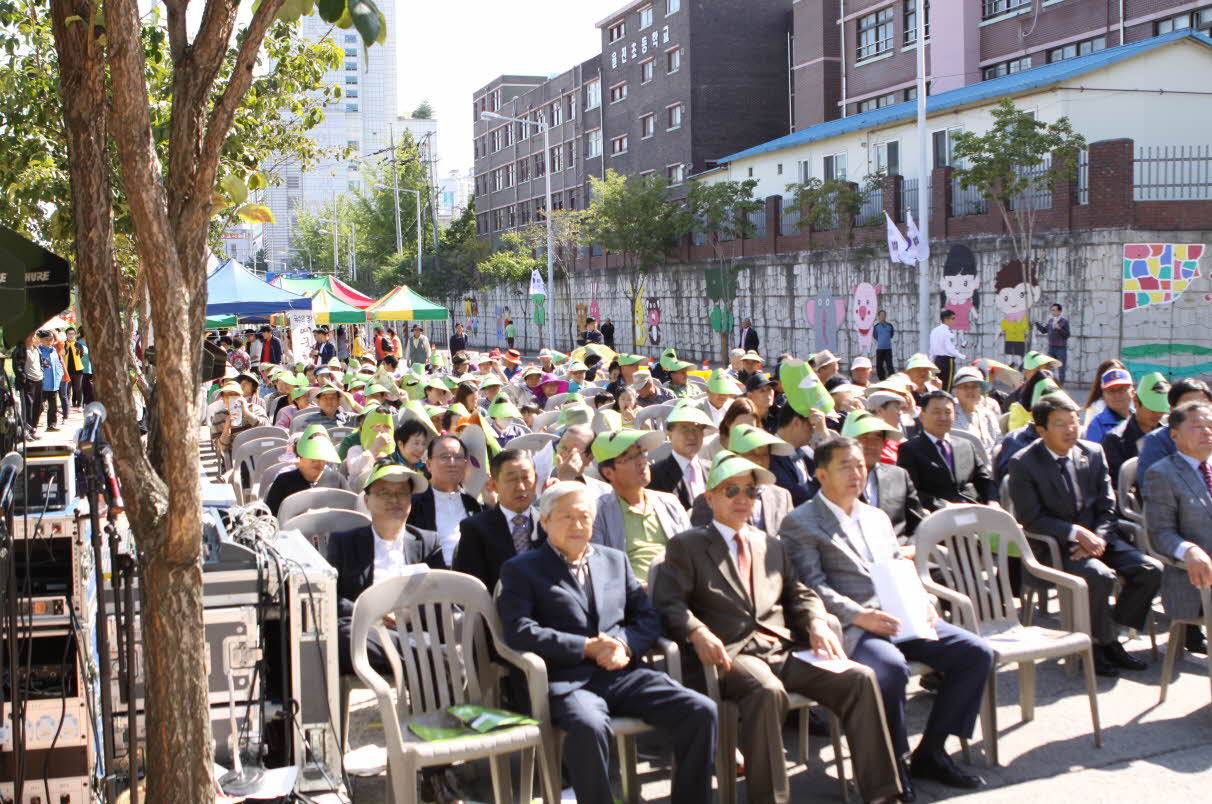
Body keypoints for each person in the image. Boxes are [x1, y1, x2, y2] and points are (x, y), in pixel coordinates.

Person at [652, 451, 901, 804]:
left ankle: (883, 794)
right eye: (732, 490)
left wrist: (816, 621)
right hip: (729, 653)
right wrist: (697, 631)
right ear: (710, 498)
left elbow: (800, 592)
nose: (743, 499)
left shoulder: (770, 544)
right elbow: (669, 603)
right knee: (767, 690)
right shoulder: (687, 545)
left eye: (751, 492)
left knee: (858, 678)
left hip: (780, 646)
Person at [781, 438, 993, 798]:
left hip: (900, 614)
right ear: (820, 475)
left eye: (860, 465)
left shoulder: (875, 516)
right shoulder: (801, 522)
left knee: (976, 653)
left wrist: (921, 597)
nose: (856, 473)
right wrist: (859, 615)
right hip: (852, 625)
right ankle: (892, 765)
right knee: (890, 670)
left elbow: (897, 565)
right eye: (844, 466)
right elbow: (811, 586)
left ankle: (932, 751)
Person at [497, 482, 717, 804]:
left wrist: (622, 645)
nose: (577, 525)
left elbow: (647, 617)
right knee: (588, 726)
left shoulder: (615, 560)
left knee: (700, 710)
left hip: (622, 673)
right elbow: (519, 630)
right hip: (567, 682)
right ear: (544, 522)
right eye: (566, 517)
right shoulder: (521, 569)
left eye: (584, 517)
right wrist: (584, 647)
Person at [1007, 394, 1162, 677]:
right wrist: (1076, 533)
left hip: (1099, 538)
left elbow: (1108, 505)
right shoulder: (1024, 463)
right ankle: (1098, 645)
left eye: (1074, 421)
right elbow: (1030, 518)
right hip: (1055, 545)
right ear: (1041, 430)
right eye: (1060, 424)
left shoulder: (1092, 452)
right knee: (1098, 576)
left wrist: (1097, 537)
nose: (1070, 429)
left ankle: (1109, 635)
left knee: (1150, 569)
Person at [1142, 400, 1212, 654]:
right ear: (1174, 434)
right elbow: (1160, 533)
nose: (1207, 432)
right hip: (1195, 579)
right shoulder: (1162, 474)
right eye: (1197, 426)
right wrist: (1189, 550)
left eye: (1210, 426)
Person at [588, 428, 691, 583]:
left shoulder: (669, 502)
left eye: (642, 453)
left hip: (679, 589)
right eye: (630, 457)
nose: (643, 461)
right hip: (634, 598)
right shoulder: (598, 513)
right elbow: (600, 570)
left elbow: (691, 552)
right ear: (609, 473)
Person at [453, 448, 542, 594]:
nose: (520, 486)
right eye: (512, 479)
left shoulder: (549, 524)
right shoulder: (476, 529)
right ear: (494, 485)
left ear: (536, 480)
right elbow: (470, 589)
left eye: (526, 478)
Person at [897, 391, 997, 511]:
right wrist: (945, 506)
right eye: (936, 412)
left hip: (972, 509)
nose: (943, 418)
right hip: (937, 514)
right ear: (922, 416)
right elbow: (910, 491)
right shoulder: (910, 449)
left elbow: (984, 480)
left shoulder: (966, 445)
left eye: (948, 412)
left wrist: (993, 502)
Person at [843, 411, 925, 545]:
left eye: (877, 438)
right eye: (864, 437)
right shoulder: (835, 477)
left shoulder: (899, 476)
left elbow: (918, 523)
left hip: (900, 553)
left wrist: (911, 548)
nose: (871, 445)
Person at [407, 435, 483, 566]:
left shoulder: (474, 504)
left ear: (465, 464)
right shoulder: (414, 505)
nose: (452, 463)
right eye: (445, 457)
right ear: (429, 464)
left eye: (458, 457)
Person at [1102, 372, 1169, 492]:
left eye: (1161, 409)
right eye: (1152, 409)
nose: (1157, 414)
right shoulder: (1115, 439)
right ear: (1136, 401)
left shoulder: (1168, 433)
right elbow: (1118, 484)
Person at [264, 425, 350, 517]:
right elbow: (268, 518)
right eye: (311, 455)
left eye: (321, 456)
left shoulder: (337, 480)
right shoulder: (283, 482)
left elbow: (350, 512)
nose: (317, 461)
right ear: (298, 459)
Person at [1138, 378, 1212, 479]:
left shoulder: (1208, 434)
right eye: (1190, 407)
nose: (1199, 412)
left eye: (1204, 405)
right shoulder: (1156, 441)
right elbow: (1153, 486)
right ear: (1173, 410)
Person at [647, 401, 715, 510]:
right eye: (684, 428)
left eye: (697, 428)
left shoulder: (713, 470)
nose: (692, 435)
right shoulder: (655, 475)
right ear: (670, 434)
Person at [769, 404, 825, 507]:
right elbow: (798, 496)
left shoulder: (807, 452)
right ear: (796, 422)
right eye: (811, 425)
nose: (813, 431)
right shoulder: (771, 454)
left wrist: (824, 434)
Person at [951, 366, 1001, 458]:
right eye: (965, 386)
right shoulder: (950, 414)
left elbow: (999, 440)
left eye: (974, 386)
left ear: (981, 390)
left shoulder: (988, 414)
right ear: (956, 391)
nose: (970, 390)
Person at [1085, 367, 1135, 444]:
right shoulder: (1097, 424)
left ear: (1132, 392)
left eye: (1122, 389)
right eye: (1111, 391)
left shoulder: (1140, 418)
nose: (1117, 395)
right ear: (1103, 396)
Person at [928, 310, 965, 392]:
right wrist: (962, 356)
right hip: (947, 361)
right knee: (947, 384)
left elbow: (932, 348)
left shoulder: (934, 331)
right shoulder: (948, 333)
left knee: (938, 383)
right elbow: (950, 349)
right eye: (953, 319)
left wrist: (931, 362)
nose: (954, 321)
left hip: (937, 360)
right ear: (946, 319)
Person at [35, 330, 65, 432]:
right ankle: (32, 425)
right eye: (46, 339)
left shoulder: (54, 351)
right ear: (41, 340)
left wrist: (59, 375)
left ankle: (51, 425)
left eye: (51, 339)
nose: (49, 341)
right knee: (40, 406)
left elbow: (59, 364)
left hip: (54, 384)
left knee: (53, 406)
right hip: (43, 384)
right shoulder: (38, 351)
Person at [1035, 303, 1071, 384]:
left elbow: (1067, 335)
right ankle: (1049, 384)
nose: (1052, 312)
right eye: (1052, 310)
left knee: (1061, 369)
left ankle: (1060, 386)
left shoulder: (1064, 322)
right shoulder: (1051, 321)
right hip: (1051, 348)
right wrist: (1036, 323)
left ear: (1059, 311)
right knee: (1047, 367)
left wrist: (1059, 329)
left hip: (1061, 348)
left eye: (1054, 310)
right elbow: (1044, 330)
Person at [874, 310, 895, 380]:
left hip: (888, 349)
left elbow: (891, 335)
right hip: (880, 349)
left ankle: (891, 379)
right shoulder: (876, 326)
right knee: (879, 366)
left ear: (885, 316)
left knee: (889, 365)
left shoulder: (889, 326)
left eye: (884, 315)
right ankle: (882, 379)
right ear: (879, 317)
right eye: (881, 315)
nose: (882, 316)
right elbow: (875, 336)